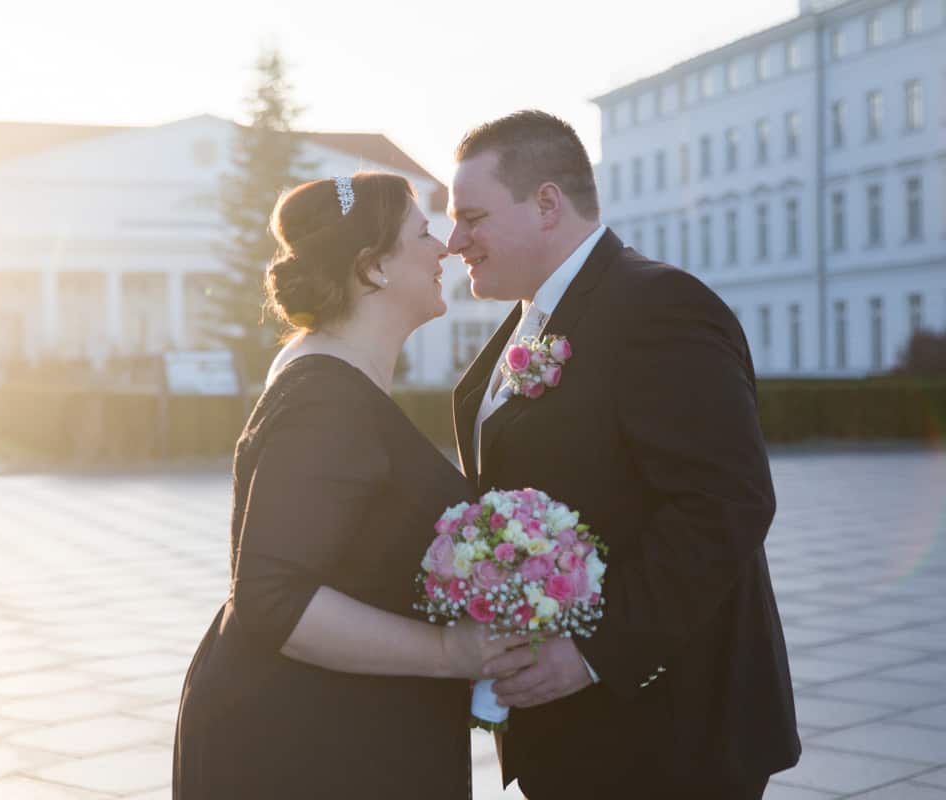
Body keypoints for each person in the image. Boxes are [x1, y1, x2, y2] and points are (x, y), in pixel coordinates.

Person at [447, 111, 800, 798]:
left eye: (473, 216)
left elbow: (726, 503)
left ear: (547, 203)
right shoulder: (530, 321)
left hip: (668, 735)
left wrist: (591, 652)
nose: (455, 239)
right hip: (572, 730)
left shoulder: (658, 306)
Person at [172, 172, 522, 799]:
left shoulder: (328, 371)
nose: (444, 247)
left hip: (340, 729)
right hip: (306, 744)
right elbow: (273, 597)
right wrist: (449, 653)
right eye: (421, 233)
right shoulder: (322, 398)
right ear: (372, 269)